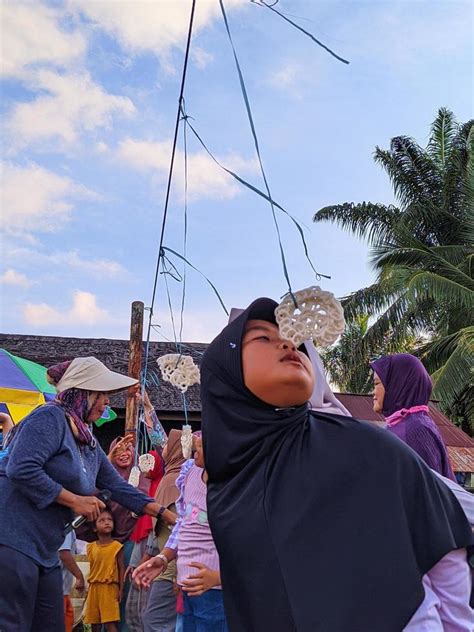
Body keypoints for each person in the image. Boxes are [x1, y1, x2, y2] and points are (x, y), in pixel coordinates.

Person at [199, 297, 473, 632]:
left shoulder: (362, 444)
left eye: (297, 342)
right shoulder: (227, 490)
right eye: (262, 338)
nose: (288, 343)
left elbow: (443, 528)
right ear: (224, 369)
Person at [0, 357, 175, 632]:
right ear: (83, 393)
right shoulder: (50, 417)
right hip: (13, 539)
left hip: (45, 549)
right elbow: (20, 468)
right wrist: (76, 500)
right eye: (102, 395)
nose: (107, 402)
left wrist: (164, 513)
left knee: (51, 624)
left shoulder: (86, 438)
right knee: (12, 624)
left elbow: (116, 486)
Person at [133, 433, 228, 631]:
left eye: (200, 447)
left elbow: (247, 545)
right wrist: (164, 557)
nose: (194, 452)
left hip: (215, 591)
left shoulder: (232, 487)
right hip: (188, 587)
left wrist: (220, 578)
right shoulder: (190, 473)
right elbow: (183, 524)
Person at [371, 353, 455, 479]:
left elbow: (425, 491)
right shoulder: (413, 423)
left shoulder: (413, 429)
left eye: (377, 383)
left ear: (397, 384)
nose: (373, 392)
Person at [138, 429, 184, 632]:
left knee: (155, 622)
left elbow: (178, 529)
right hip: (164, 562)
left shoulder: (175, 482)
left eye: (168, 445)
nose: (163, 448)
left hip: (171, 567)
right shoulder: (174, 477)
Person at [83, 509, 124, 632]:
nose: (107, 523)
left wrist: (121, 589)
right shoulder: (90, 547)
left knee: (109, 623)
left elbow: (122, 568)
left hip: (109, 588)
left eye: (109, 520)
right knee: (94, 624)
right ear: (95, 528)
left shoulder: (117, 546)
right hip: (93, 588)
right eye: (102, 520)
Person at [59, 530, 85, 632]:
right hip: (58, 589)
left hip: (61, 590)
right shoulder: (66, 526)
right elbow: (64, 553)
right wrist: (79, 576)